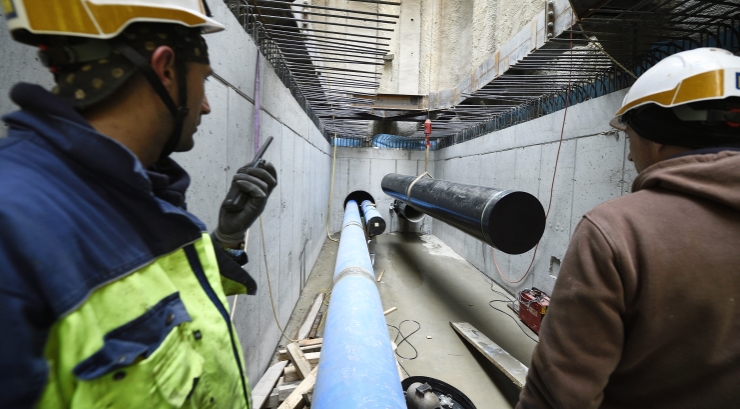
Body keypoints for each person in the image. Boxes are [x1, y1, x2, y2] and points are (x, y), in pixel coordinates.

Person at [0, 1, 276, 407]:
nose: (205, 106)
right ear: (165, 69)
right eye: (204, 81)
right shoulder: (13, 227)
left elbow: (154, 298)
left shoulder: (135, 191)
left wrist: (226, 238)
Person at [517, 48, 740, 409]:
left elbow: (559, 397)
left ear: (657, 136)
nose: (631, 155)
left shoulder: (616, 231)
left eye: (630, 136)